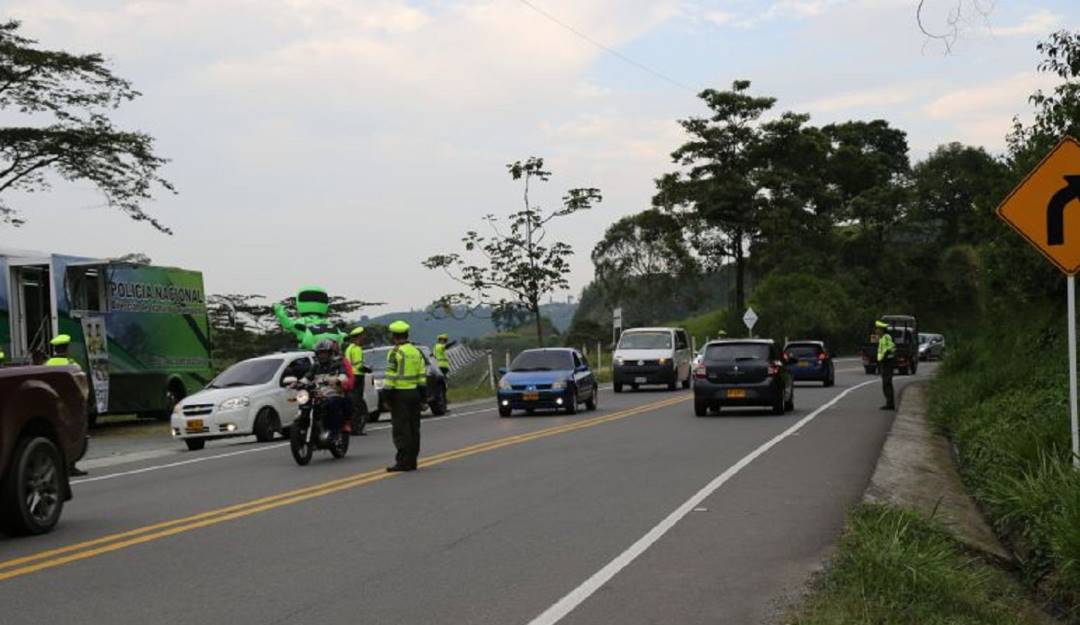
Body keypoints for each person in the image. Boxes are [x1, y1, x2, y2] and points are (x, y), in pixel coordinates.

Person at [384, 320, 426, 472]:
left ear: (394, 336)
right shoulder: (416, 352)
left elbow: (390, 377)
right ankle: (412, 461)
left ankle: (403, 462)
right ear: (406, 334)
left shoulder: (395, 353)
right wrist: (423, 397)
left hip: (399, 395)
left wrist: (386, 398)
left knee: (401, 430)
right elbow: (422, 377)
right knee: (414, 429)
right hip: (414, 393)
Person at [45, 335, 88, 476]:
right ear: (67, 348)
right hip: (69, 407)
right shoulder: (72, 364)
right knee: (71, 435)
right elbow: (81, 386)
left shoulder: (47, 364)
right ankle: (70, 466)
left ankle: (55, 467)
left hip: (52, 406)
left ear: (55, 349)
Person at [304, 339, 354, 442]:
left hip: (333, 393)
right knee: (304, 403)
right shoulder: (315, 366)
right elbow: (307, 377)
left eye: (324, 353)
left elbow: (343, 375)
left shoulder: (337, 363)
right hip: (318, 394)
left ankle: (334, 432)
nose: (322, 355)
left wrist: (338, 380)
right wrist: (297, 383)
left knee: (333, 403)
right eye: (320, 353)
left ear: (330, 353)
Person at [345, 326, 370, 436]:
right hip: (357, 377)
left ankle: (350, 426)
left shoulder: (349, 348)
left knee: (351, 402)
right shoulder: (357, 349)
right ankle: (356, 428)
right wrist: (368, 369)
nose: (364, 338)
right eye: (363, 336)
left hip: (349, 376)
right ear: (358, 337)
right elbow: (359, 366)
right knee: (357, 403)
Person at [875, 321, 896, 410]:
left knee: (887, 383)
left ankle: (890, 404)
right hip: (883, 362)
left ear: (882, 330)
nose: (876, 331)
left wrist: (886, 355)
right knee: (885, 383)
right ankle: (889, 402)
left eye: (878, 329)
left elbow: (891, 347)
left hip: (887, 362)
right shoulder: (881, 338)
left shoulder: (886, 337)